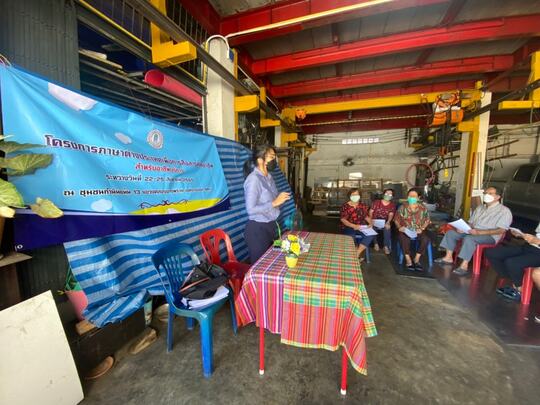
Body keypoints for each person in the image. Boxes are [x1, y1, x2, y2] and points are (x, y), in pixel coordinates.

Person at [435, 186, 512, 276]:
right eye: (485, 193)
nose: (486, 195)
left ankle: (464, 265)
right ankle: (448, 257)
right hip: (473, 231)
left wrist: (480, 232)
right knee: (451, 233)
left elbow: (501, 230)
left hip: (489, 236)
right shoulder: (480, 208)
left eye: (490, 193)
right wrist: (464, 228)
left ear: (498, 197)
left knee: (469, 239)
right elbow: (471, 223)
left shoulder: (504, 211)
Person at [243, 144, 291, 264]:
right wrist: (274, 202)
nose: (274, 160)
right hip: (257, 230)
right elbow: (250, 209)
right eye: (271, 157)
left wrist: (280, 200)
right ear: (260, 160)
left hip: (271, 226)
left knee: (271, 262)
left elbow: (273, 202)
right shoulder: (254, 179)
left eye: (274, 157)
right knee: (260, 266)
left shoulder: (269, 177)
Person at [485, 222, 540, 301]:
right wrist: (522, 235)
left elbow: (537, 240)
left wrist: (538, 241)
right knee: (491, 253)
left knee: (513, 262)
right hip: (528, 247)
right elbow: (537, 236)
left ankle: (519, 290)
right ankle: (512, 277)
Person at [394, 189, 431, 271]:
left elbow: (427, 220)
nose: (411, 198)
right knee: (403, 238)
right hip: (405, 230)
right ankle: (408, 259)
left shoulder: (423, 208)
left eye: (414, 196)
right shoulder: (402, 207)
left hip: (418, 230)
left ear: (418, 198)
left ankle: (417, 259)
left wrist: (422, 228)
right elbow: (396, 219)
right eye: (410, 196)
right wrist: (399, 227)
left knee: (426, 239)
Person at [340, 188, 374, 260]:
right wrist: (353, 226)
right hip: (348, 226)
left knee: (370, 234)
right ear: (349, 196)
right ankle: (356, 254)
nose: (355, 196)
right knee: (351, 236)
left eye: (357, 194)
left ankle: (357, 253)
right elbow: (343, 219)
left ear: (360, 196)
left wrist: (371, 223)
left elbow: (366, 216)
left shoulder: (363, 206)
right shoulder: (345, 206)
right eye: (353, 194)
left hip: (361, 226)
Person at [369, 188, 396, 255]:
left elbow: (391, 214)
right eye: (386, 193)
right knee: (372, 227)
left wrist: (388, 222)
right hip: (375, 219)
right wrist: (371, 220)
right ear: (383, 194)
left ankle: (386, 246)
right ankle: (375, 244)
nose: (388, 195)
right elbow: (371, 211)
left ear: (392, 196)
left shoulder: (392, 205)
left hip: (384, 221)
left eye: (390, 194)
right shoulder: (376, 202)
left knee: (387, 228)